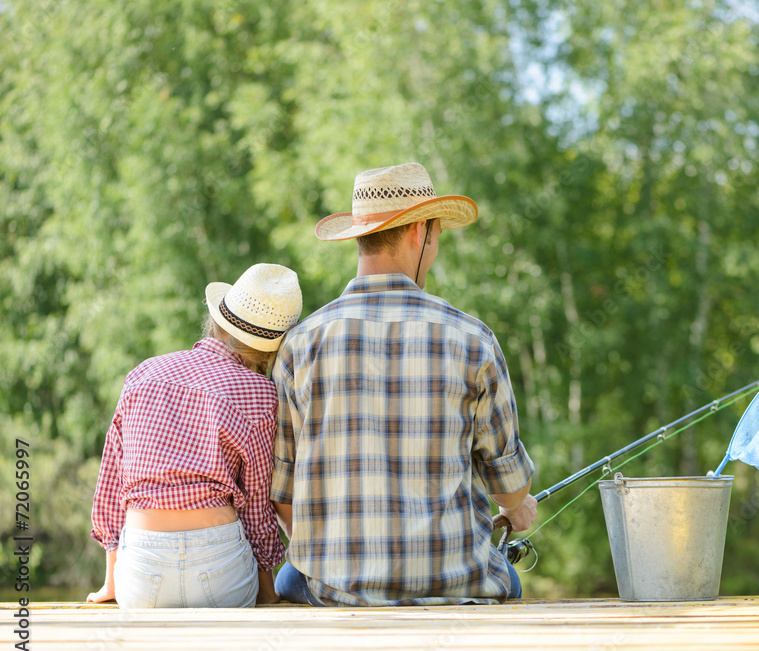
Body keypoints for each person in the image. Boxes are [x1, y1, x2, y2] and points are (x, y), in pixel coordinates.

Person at [270, 163, 537, 606]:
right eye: (436, 234)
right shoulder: (473, 340)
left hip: (335, 590)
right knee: (511, 577)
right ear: (420, 233)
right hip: (457, 584)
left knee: (289, 579)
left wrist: (340, 561)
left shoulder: (301, 345)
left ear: (360, 236)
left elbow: (284, 495)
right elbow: (510, 490)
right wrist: (514, 507)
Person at [88, 263, 303, 608]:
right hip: (221, 570)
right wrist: (265, 589)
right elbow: (258, 505)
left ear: (217, 321)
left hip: (141, 576)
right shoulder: (262, 394)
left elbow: (111, 486)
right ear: (270, 349)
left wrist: (111, 582)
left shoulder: (143, 374)